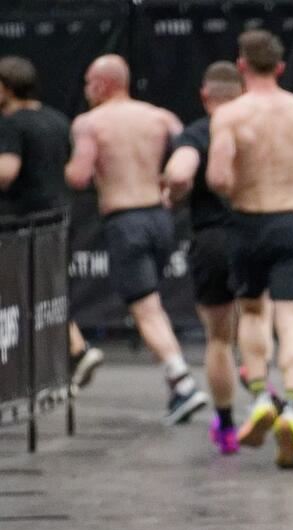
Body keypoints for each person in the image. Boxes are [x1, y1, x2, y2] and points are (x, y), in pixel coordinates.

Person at [207, 30, 293, 469]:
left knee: (254, 312)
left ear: (242, 65)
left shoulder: (230, 115)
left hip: (247, 221)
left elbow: (219, 177)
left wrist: (243, 187)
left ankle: (262, 396)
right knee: (292, 319)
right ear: (281, 67)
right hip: (290, 220)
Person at [65, 54, 208, 424]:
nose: (86, 90)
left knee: (146, 308)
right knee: (153, 304)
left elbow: (79, 175)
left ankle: (183, 382)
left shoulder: (89, 123)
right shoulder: (160, 117)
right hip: (160, 218)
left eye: (87, 83)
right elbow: (185, 161)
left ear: (101, 84)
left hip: (124, 219)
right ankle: (177, 386)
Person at [0, 56, 105, 390]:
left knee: (28, 294)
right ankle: (69, 353)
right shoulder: (59, 120)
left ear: (6, 87)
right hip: (59, 217)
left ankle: (73, 350)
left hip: (24, 223)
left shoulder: (12, 124)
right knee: (47, 292)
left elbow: (7, 172)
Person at [163, 61, 244, 454]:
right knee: (257, 319)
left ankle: (226, 427)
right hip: (253, 231)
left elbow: (180, 174)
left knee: (217, 339)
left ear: (204, 95)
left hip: (212, 237)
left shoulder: (198, 132)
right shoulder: (253, 127)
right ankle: (261, 384)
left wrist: (174, 193)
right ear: (241, 94)